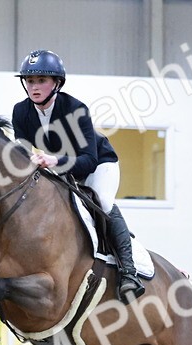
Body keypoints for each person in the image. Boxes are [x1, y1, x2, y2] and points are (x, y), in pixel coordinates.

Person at [11, 49, 144, 303]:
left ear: (56, 83)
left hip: (98, 165)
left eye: (41, 80)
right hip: (59, 167)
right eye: (30, 81)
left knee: (102, 202)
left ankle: (129, 271)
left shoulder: (75, 109)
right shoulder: (21, 111)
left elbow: (88, 160)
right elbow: (22, 153)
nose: (34, 87)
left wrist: (53, 161)